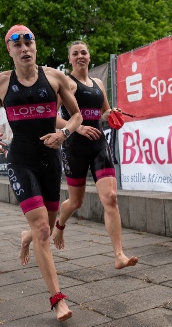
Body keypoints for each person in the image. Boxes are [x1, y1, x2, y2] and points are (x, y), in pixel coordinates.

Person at [0, 24, 82, 321]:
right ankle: (58, 299)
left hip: (50, 159)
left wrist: (64, 135)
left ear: (35, 46)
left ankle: (26, 237)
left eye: (29, 42)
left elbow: (74, 115)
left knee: (44, 231)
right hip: (21, 160)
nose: (24, 48)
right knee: (42, 230)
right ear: (8, 50)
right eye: (17, 44)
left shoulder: (54, 77)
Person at [52, 40, 138, 270]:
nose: (80, 56)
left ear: (89, 56)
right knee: (76, 201)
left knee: (110, 197)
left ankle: (119, 255)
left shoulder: (98, 83)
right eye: (75, 53)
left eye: (84, 52)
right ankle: (59, 224)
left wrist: (113, 113)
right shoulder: (66, 83)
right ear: (69, 59)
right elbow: (52, 117)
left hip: (99, 144)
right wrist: (76, 127)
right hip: (74, 147)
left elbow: (104, 111)